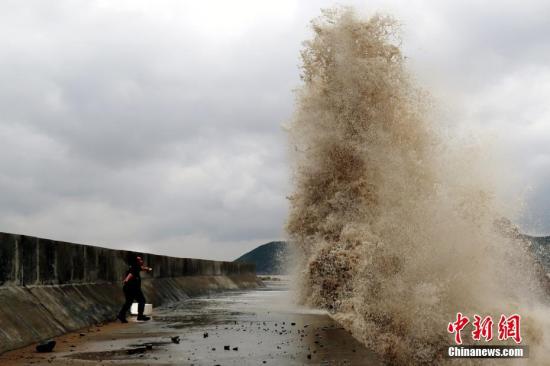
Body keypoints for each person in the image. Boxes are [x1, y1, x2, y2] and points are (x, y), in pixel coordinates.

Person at [117, 255, 153, 323]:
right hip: (133, 288)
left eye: (141, 259)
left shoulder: (135, 266)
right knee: (142, 300)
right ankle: (140, 316)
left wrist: (148, 269)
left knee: (128, 302)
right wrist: (126, 279)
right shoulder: (135, 267)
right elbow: (131, 274)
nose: (141, 261)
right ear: (136, 262)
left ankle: (121, 315)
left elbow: (142, 268)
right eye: (139, 260)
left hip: (128, 288)